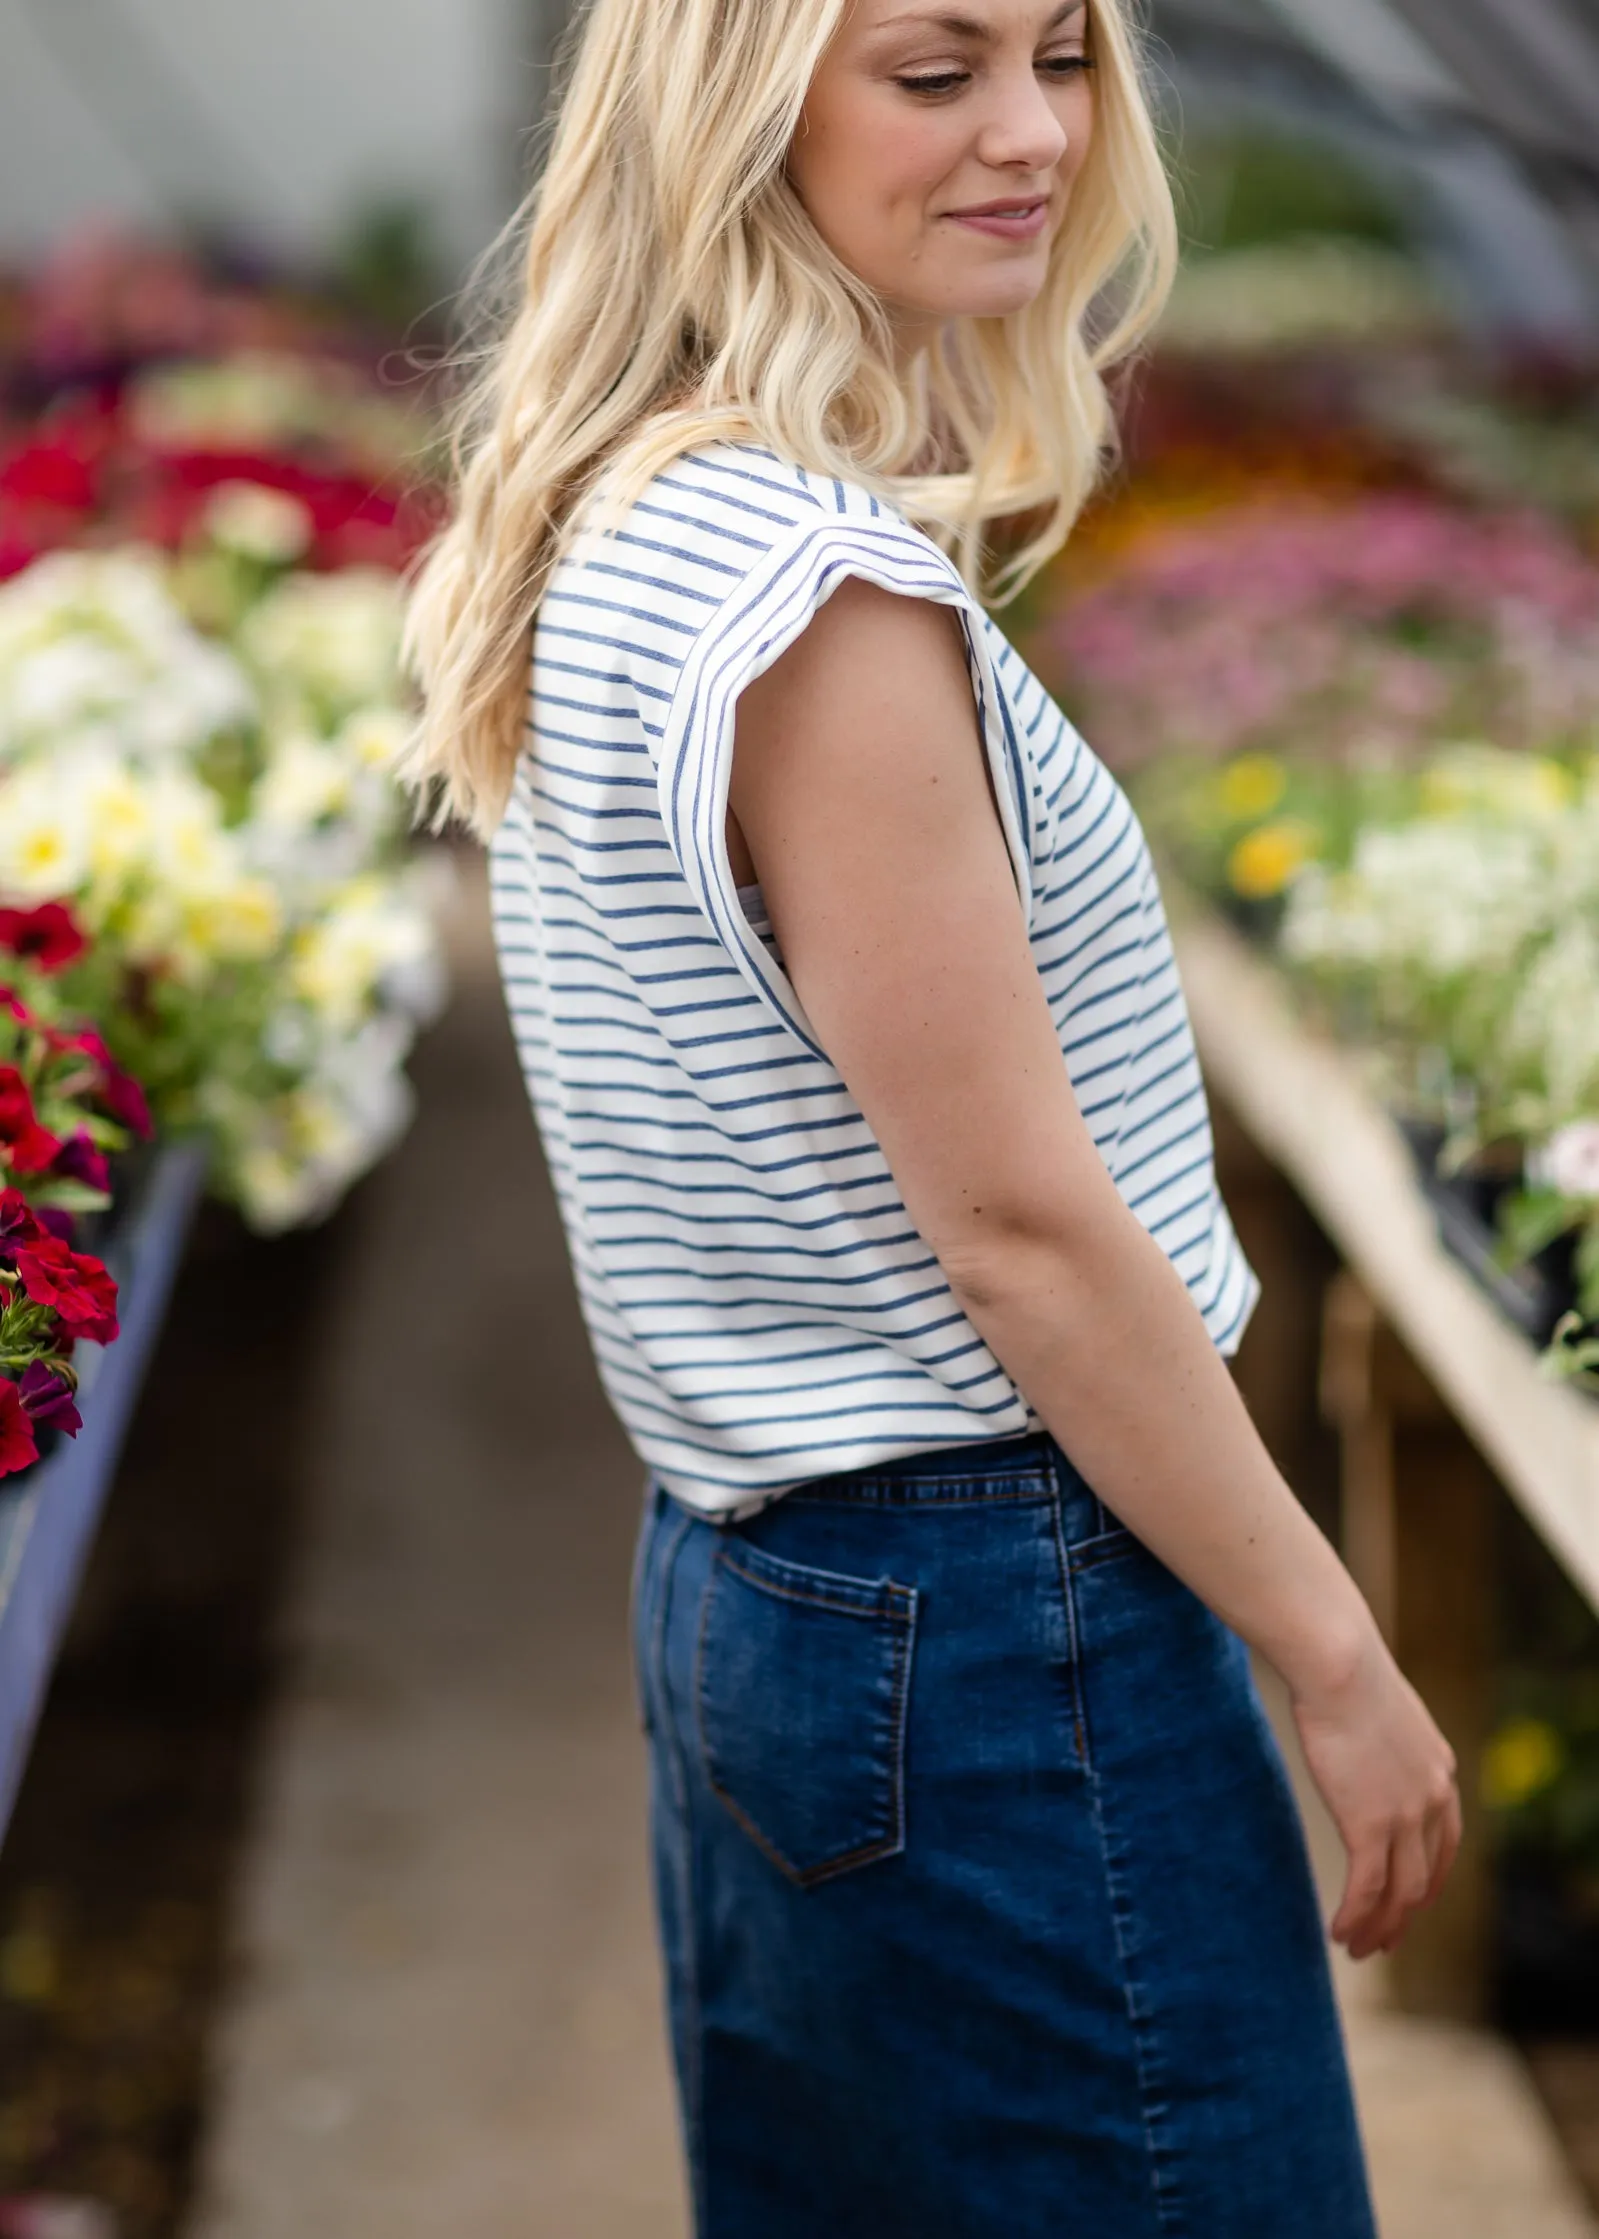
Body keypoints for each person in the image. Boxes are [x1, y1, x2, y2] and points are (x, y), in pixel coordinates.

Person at [403, 0, 1462, 2229]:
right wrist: (1334, 1653)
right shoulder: (820, 603)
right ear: (735, 106)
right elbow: (1018, 1228)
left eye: (1066, 57)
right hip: (1002, 1609)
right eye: (934, 68)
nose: (1033, 135)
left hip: (762, 1583)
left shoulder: (631, 512)